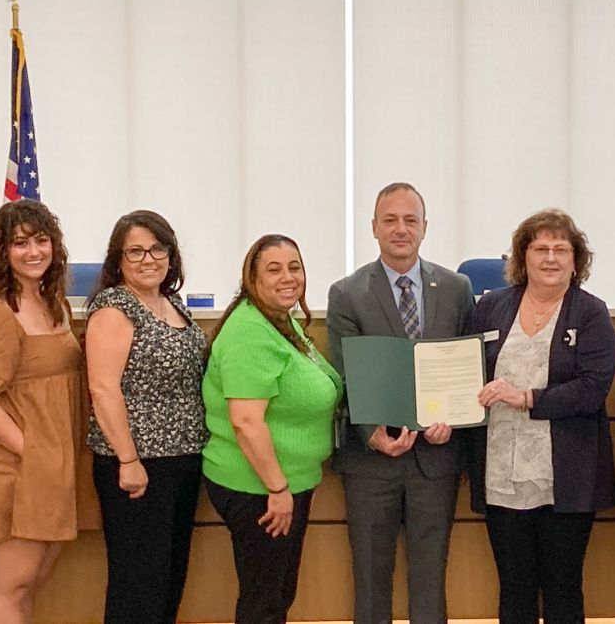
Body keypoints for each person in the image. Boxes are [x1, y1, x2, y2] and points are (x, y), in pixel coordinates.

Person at [461, 209, 615, 624]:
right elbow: (465, 373)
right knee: (514, 587)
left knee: (563, 586)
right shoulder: (491, 307)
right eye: (540, 248)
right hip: (501, 472)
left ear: (575, 259)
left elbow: (592, 389)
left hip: (564, 476)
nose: (550, 258)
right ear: (522, 256)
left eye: (560, 249)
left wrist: (526, 397)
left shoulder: (590, 313)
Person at [327, 183, 474, 624]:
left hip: (437, 456)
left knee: (431, 579)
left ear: (425, 228)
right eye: (390, 219)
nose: (400, 229)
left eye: (410, 219)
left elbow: (466, 364)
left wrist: (457, 418)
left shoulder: (456, 287)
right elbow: (348, 374)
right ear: (373, 227)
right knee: (371, 582)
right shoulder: (347, 293)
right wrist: (372, 434)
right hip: (372, 461)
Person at [0, 199, 85, 624]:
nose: (33, 252)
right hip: (9, 467)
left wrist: (52, 460)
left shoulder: (53, 304)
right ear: (2, 252)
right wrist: (31, 450)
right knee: (11, 585)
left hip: (51, 467)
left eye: (41, 241)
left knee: (33, 583)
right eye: (20, 243)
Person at [203, 234, 343, 624]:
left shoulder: (280, 322)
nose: (288, 277)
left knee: (277, 594)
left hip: (286, 484)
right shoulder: (249, 331)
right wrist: (278, 489)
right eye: (274, 269)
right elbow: (246, 422)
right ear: (252, 278)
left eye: (294, 267)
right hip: (260, 490)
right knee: (264, 602)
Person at [84, 210, 208, 623]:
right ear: (117, 259)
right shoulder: (114, 308)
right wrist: (128, 460)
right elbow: (103, 389)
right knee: (138, 584)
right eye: (135, 251)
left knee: (169, 579)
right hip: (136, 468)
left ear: (171, 255)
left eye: (157, 248)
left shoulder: (170, 303)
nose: (148, 258)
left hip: (180, 463)